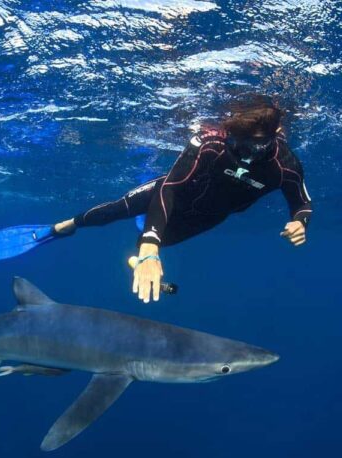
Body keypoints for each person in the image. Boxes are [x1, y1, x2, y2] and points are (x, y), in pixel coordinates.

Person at [50, 97, 313, 303]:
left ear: (278, 132)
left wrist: (300, 222)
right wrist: (151, 244)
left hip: (208, 216)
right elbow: (170, 187)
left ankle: (139, 251)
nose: (243, 151)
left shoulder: (285, 166)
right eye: (237, 140)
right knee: (116, 211)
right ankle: (68, 225)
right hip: (174, 195)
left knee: (148, 248)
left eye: (254, 144)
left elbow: (302, 203)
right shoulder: (210, 143)